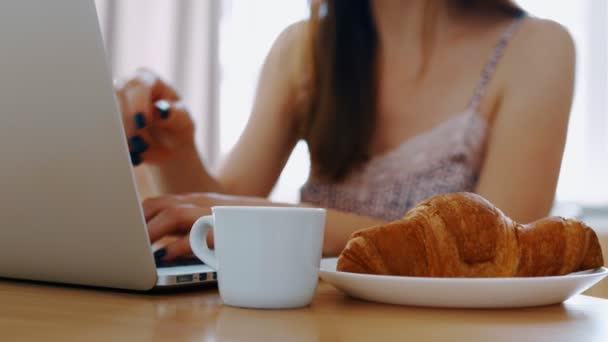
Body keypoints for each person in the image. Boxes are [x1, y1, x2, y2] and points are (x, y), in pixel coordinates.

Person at [116, 0, 575, 261]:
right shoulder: (305, 48)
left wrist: (296, 225)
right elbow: (219, 209)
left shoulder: (536, 49)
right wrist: (173, 152)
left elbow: (501, 251)